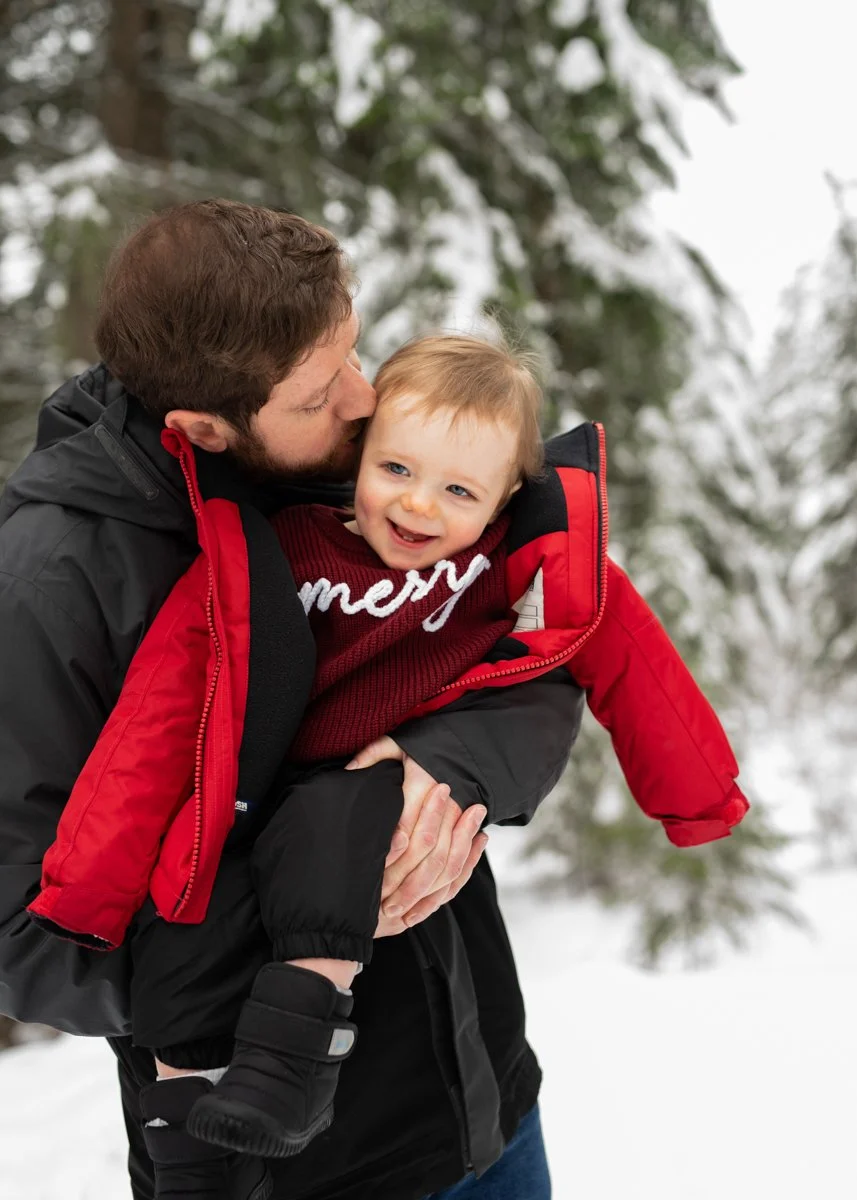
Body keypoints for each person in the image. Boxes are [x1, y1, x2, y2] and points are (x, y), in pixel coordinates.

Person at [27, 329, 748, 1199]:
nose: (417, 509)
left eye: (457, 490)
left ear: (503, 499)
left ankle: (294, 1052)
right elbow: (162, 709)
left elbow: (629, 662)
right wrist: (90, 890)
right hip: (243, 826)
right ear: (359, 454)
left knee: (342, 816)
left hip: (430, 985)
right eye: (396, 472)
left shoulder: (502, 571)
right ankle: (190, 1155)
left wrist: (697, 800)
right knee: (187, 920)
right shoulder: (278, 540)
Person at [0, 199, 587, 1200]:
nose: (364, 401)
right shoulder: (51, 583)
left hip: (479, 1098)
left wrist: (438, 774)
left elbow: (530, 656)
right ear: (202, 426)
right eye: (322, 391)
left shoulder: (360, 466)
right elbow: (26, 940)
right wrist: (306, 900)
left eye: (351, 354)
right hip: (281, 1164)